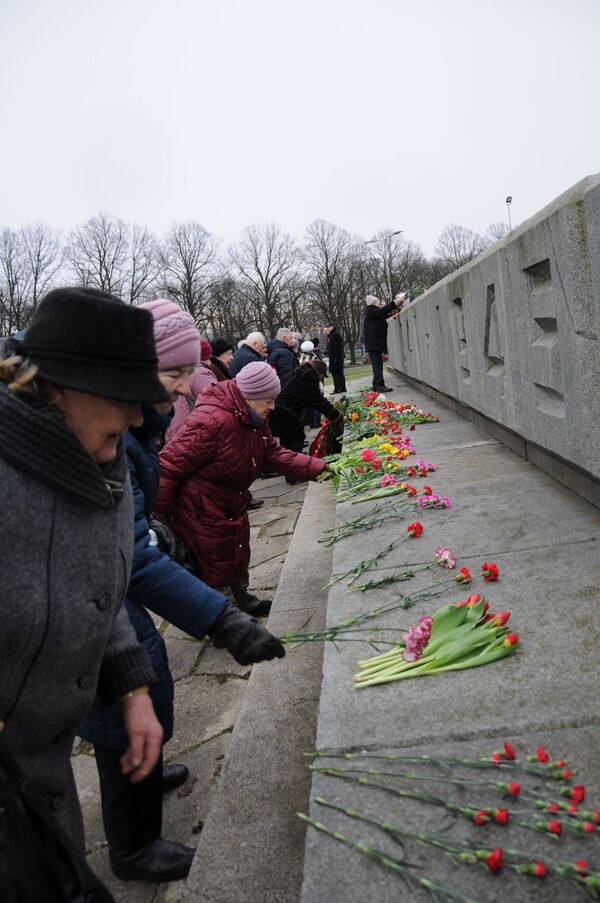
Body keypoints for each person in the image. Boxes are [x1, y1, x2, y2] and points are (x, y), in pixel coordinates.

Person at [78, 300, 284, 884]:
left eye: (186, 375)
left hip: (108, 582)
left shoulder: (135, 421)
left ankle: (145, 767)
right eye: (172, 376)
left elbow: (128, 534)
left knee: (146, 682)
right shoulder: (103, 433)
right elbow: (123, 557)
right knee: (126, 693)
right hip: (87, 599)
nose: (182, 392)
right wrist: (219, 617)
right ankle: (132, 847)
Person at [0, 287, 164, 891]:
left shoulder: (100, 458)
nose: (140, 417)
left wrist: (131, 687)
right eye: (126, 398)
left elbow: (99, 587)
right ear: (60, 387)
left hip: (44, 784)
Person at [156, 362, 328, 614]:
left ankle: (243, 602)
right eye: (268, 400)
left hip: (231, 501)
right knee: (215, 564)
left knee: (236, 555)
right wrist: (161, 515)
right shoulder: (211, 421)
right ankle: (224, 622)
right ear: (249, 396)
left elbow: (273, 452)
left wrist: (317, 467)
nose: (272, 407)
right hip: (201, 507)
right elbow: (169, 465)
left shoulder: (254, 418)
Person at [270, 359, 343, 466]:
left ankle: (285, 466)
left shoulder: (297, 373)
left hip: (275, 408)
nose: (321, 379)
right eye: (322, 376)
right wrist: (337, 416)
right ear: (319, 372)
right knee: (297, 438)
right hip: (286, 412)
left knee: (286, 440)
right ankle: (294, 471)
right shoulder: (309, 379)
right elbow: (319, 402)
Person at [166, 339, 216, 441]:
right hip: (192, 434)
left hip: (174, 434)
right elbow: (217, 402)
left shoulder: (174, 370)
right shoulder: (201, 373)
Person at [363, 293, 405, 392]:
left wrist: (398, 307)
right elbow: (383, 310)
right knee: (377, 365)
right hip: (374, 343)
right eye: (378, 301)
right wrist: (396, 301)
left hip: (374, 343)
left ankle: (376, 384)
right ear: (373, 303)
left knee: (376, 364)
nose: (379, 303)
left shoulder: (374, 312)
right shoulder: (371, 310)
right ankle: (380, 385)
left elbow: (387, 313)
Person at [323, 322, 346, 394]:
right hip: (335, 358)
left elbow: (337, 348)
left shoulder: (335, 335)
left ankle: (338, 388)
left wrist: (335, 358)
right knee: (338, 374)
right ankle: (341, 388)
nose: (327, 329)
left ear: (331, 327)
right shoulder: (332, 335)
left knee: (336, 374)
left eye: (328, 327)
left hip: (336, 359)